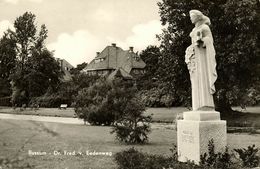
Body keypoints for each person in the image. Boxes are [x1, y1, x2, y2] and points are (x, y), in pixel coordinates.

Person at [185, 10, 217, 111]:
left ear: (198, 17)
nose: (190, 18)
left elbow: (210, 41)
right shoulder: (194, 29)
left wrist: (202, 40)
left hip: (202, 57)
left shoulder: (205, 27)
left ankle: (205, 104)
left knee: (202, 78)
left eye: (192, 16)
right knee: (195, 80)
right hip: (195, 58)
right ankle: (197, 106)